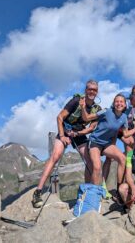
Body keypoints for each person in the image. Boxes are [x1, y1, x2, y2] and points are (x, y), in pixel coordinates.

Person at [32, 80, 101, 208]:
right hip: (65, 129)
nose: (92, 91)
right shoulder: (75, 101)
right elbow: (60, 117)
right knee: (55, 156)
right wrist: (62, 135)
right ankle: (38, 191)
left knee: (89, 160)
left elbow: (91, 128)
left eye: (94, 90)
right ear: (86, 90)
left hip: (79, 133)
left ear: (97, 92)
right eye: (90, 89)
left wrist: (78, 134)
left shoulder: (97, 109)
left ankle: (88, 192)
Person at [80, 93, 135, 194]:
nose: (119, 103)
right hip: (95, 142)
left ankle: (118, 189)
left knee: (122, 159)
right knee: (97, 166)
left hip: (106, 144)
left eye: (121, 102)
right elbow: (87, 118)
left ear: (125, 105)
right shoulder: (106, 111)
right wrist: (83, 107)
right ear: (113, 103)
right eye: (117, 101)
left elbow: (125, 134)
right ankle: (94, 193)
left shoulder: (124, 117)